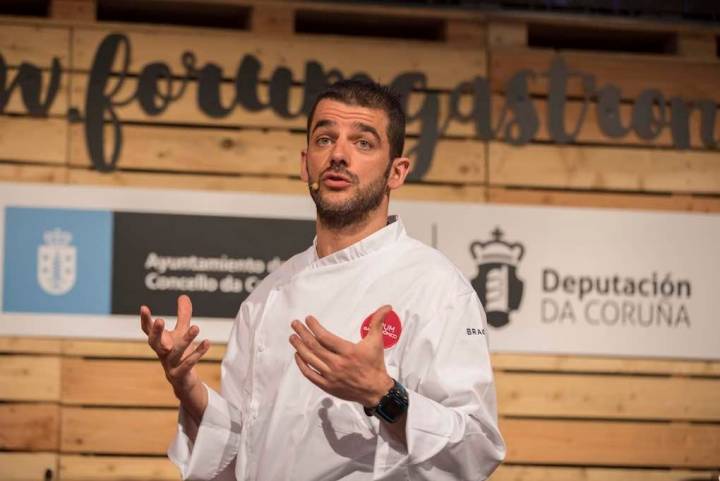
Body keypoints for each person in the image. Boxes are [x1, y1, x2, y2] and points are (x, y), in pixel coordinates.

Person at [140, 80, 505, 480]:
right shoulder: (268, 295)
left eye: (363, 143)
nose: (339, 155)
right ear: (305, 163)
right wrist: (187, 386)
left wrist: (383, 394)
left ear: (396, 172)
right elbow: (245, 449)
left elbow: (477, 447)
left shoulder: (436, 287)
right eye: (325, 139)